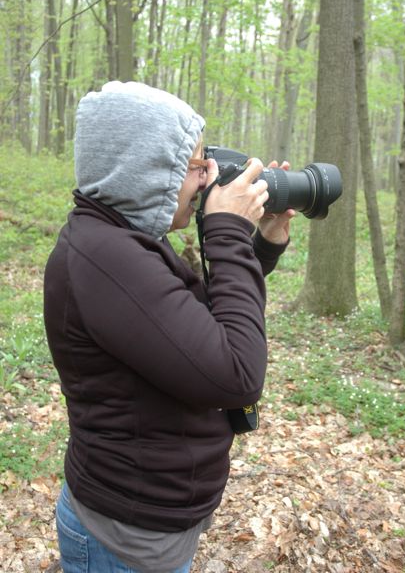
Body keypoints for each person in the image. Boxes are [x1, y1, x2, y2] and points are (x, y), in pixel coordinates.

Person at [43, 81, 295, 573]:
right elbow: (237, 374)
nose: (207, 180)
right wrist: (226, 231)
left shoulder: (119, 240)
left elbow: (191, 326)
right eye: (196, 165)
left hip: (145, 520)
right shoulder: (108, 258)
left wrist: (259, 245)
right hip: (125, 539)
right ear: (146, 169)